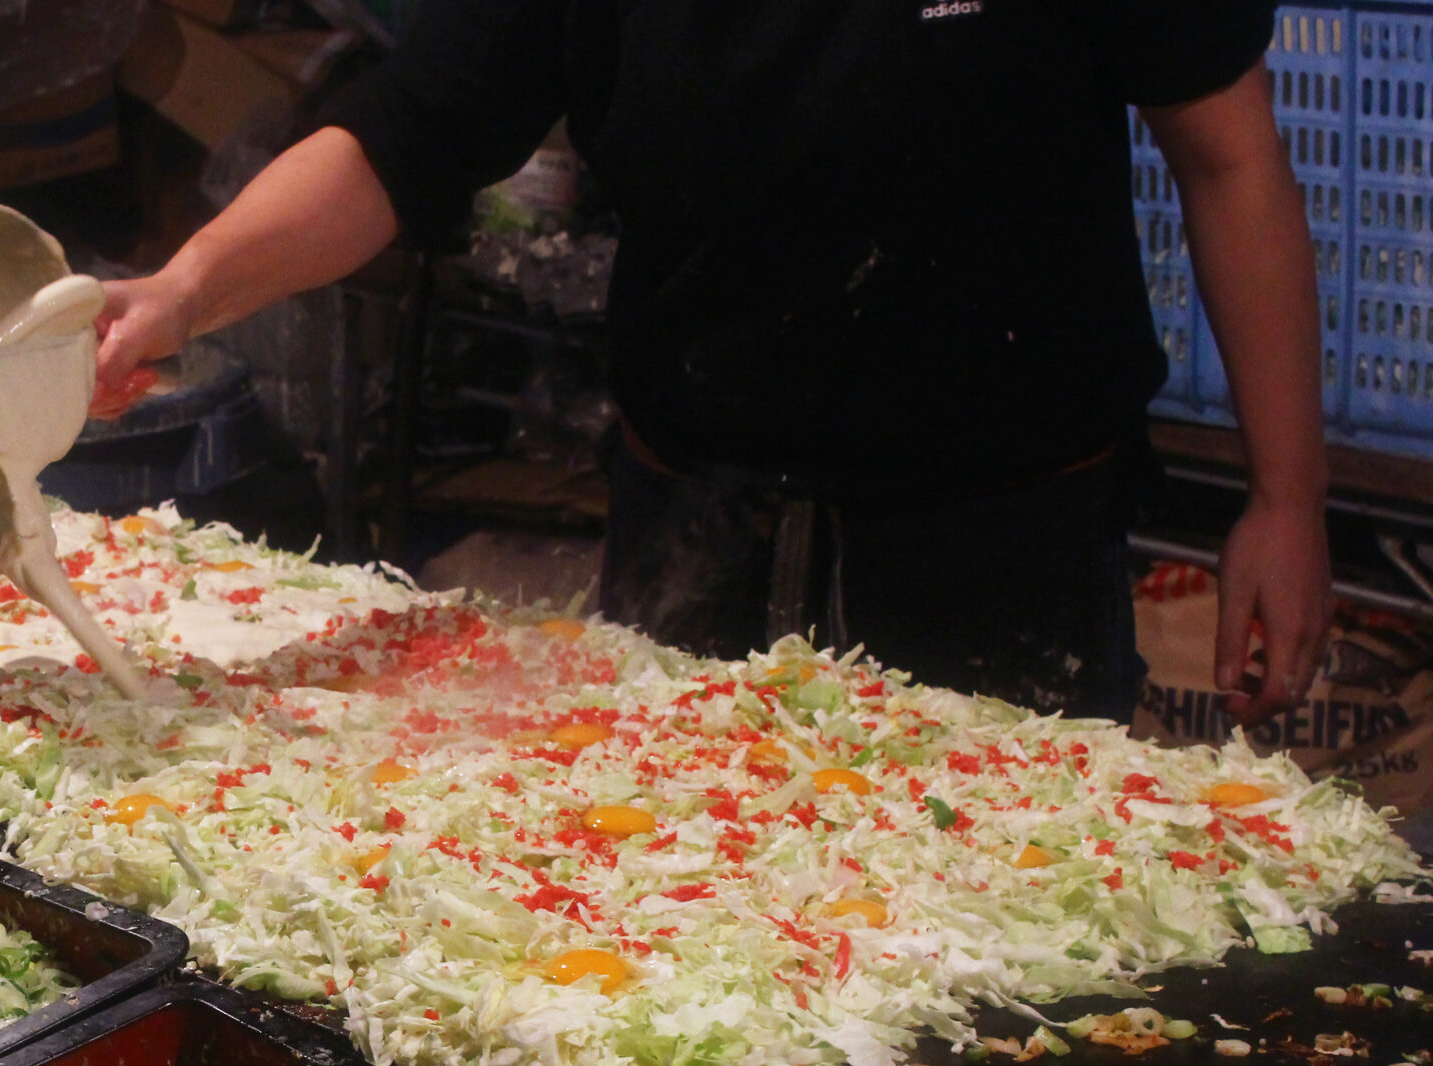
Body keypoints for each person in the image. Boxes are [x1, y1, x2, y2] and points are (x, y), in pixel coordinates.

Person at [93, 1, 1327, 725]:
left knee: (1014, 990)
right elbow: (403, 135)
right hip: (693, 520)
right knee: (694, 965)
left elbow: (1228, 156)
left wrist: (1286, 499)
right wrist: (183, 289)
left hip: (1001, 543)